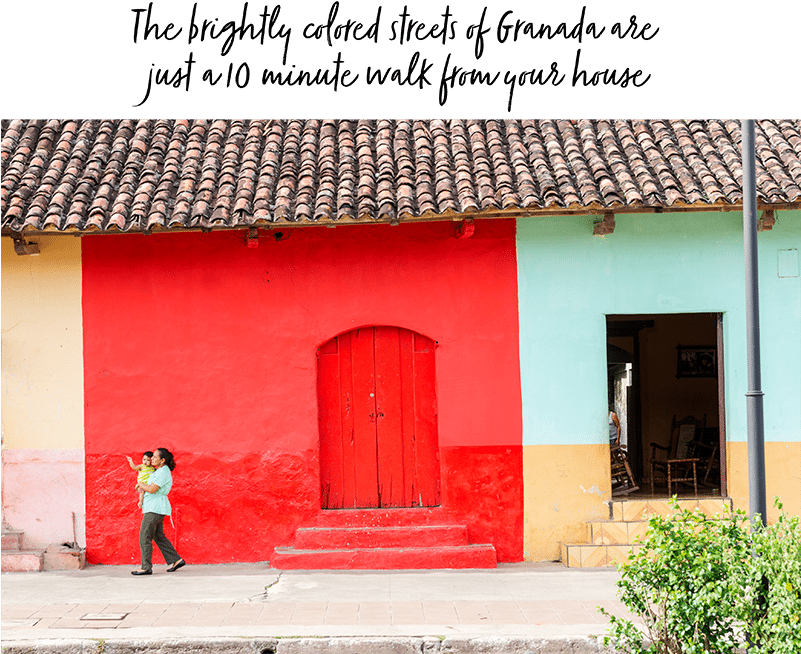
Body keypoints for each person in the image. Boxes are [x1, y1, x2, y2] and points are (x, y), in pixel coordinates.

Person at [131, 447, 186, 575]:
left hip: (154, 508)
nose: (152, 459)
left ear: (162, 460)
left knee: (144, 535)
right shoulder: (159, 471)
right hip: (155, 507)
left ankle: (146, 567)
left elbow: (152, 489)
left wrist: (140, 484)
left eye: (155, 457)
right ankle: (176, 560)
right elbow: (149, 487)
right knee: (158, 536)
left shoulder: (162, 472)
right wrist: (142, 487)